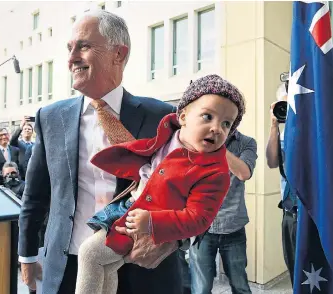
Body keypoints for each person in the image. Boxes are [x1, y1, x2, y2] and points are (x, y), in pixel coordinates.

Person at [19, 10, 184, 294]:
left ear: (118, 54)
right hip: (67, 269)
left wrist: (174, 240)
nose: (71, 58)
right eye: (69, 48)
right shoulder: (50, 118)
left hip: (143, 268)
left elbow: (195, 190)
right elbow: (35, 195)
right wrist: (27, 255)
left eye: (83, 46)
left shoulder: (164, 116)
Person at [75, 74, 246, 294]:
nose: (217, 128)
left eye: (226, 124)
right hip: (125, 208)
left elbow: (200, 218)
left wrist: (153, 223)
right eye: (207, 116)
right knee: (106, 267)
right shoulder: (169, 131)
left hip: (143, 221)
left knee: (90, 254)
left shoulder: (215, 171)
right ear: (183, 116)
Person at [188, 129, 257, 294]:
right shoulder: (195, 140)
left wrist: (218, 145)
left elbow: (243, 173)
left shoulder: (246, 142)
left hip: (233, 226)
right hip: (201, 229)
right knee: (201, 288)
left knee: (240, 285)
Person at [265, 83, 297, 286]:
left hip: (315, 210)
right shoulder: (284, 133)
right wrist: (274, 125)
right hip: (290, 212)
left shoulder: (317, 127)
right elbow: (272, 161)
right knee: (295, 265)